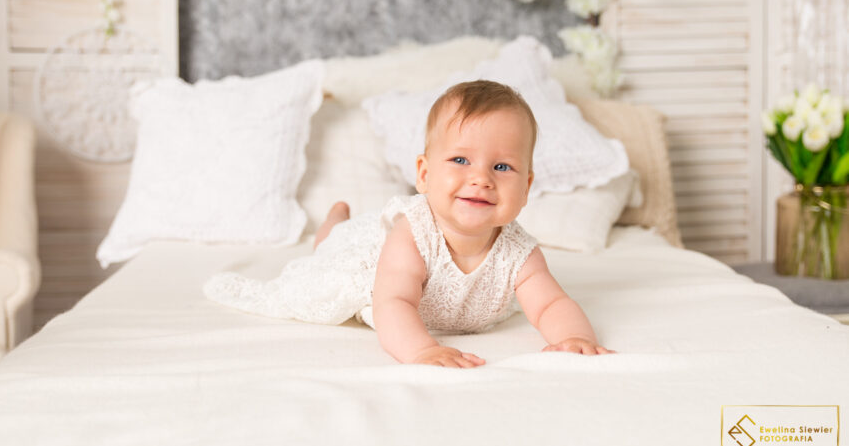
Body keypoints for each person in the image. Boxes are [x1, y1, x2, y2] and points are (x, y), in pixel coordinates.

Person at [204, 80, 614, 367]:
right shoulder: (412, 234)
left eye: (502, 166)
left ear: (526, 188)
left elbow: (551, 305)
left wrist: (574, 338)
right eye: (460, 160)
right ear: (424, 174)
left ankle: (337, 223)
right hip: (370, 267)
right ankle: (333, 223)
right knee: (331, 253)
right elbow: (393, 304)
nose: (481, 178)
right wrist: (421, 351)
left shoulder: (519, 252)